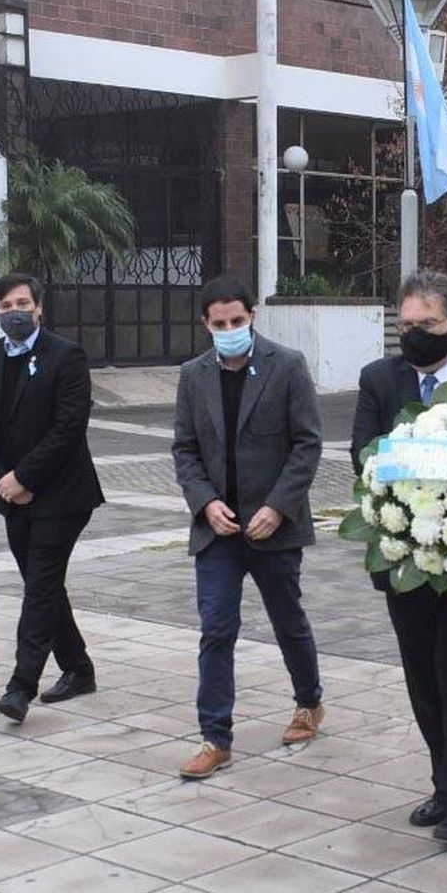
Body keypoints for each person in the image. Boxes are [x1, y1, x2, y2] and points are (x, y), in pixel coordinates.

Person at [351, 269, 447, 846]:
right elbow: (363, 458)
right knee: (424, 677)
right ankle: (445, 784)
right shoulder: (378, 379)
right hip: (407, 561)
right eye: (408, 325)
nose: (416, 334)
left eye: (429, 324)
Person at [172, 275, 326, 779]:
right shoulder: (193, 375)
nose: (230, 329)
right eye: (219, 324)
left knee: (288, 619)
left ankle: (309, 701)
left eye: (237, 320)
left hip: (273, 527)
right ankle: (215, 737)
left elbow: (307, 444)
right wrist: (205, 502)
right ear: (205, 325)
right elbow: (185, 449)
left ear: (252, 316)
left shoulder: (286, 366)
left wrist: (279, 506)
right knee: (216, 628)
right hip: (218, 528)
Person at [0, 273, 105, 723]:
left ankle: (20, 687)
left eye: (23, 303)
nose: (15, 312)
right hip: (13, 494)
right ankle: (79, 669)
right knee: (42, 586)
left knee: (41, 583)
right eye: (6, 305)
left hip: (63, 494)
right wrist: (2, 481)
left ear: (40, 308)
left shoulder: (66, 356)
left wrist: (25, 477)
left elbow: (69, 428)